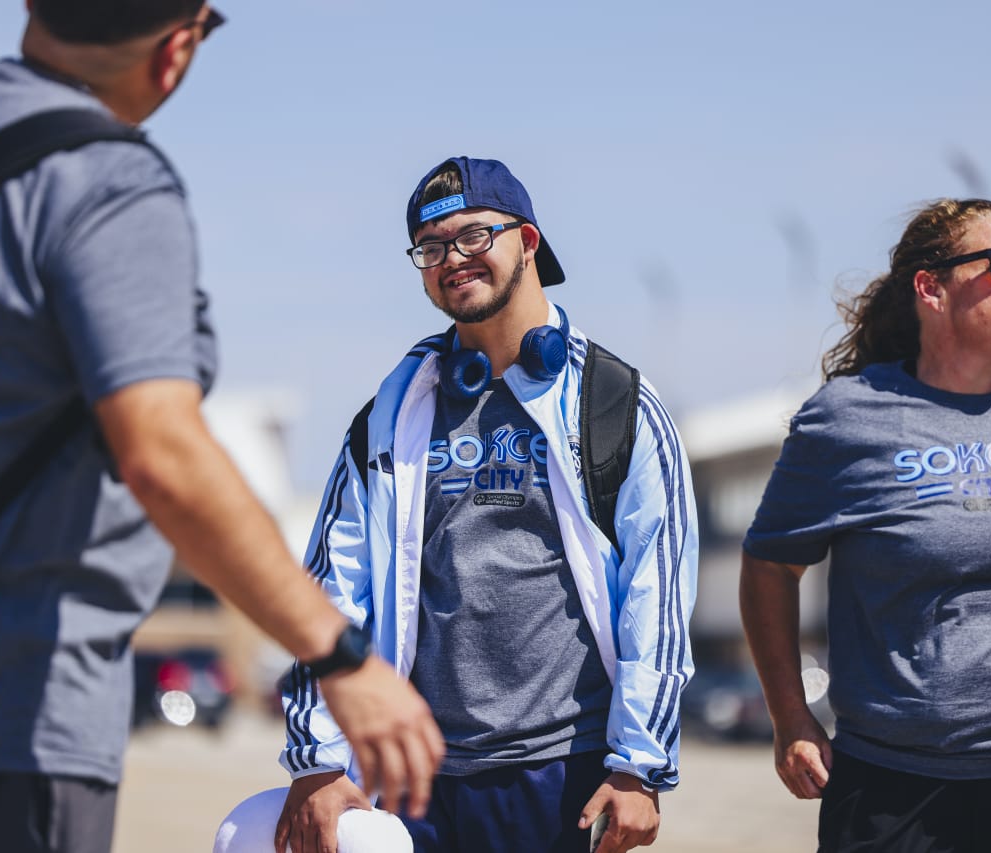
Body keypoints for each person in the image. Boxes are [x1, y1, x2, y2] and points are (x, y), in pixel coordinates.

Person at [0, 3, 441, 851]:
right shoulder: (108, 182)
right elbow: (164, 456)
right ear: (176, 47)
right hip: (7, 717)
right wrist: (340, 657)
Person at [270, 156, 699, 853]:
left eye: (474, 236)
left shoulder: (615, 403)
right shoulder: (391, 414)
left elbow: (658, 591)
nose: (451, 259)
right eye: (431, 247)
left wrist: (640, 766)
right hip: (412, 774)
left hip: (565, 773)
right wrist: (318, 757)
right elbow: (331, 588)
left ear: (528, 241)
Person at [740, 198, 991, 851]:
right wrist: (790, 715)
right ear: (930, 287)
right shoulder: (849, 417)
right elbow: (769, 565)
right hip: (900, 792)